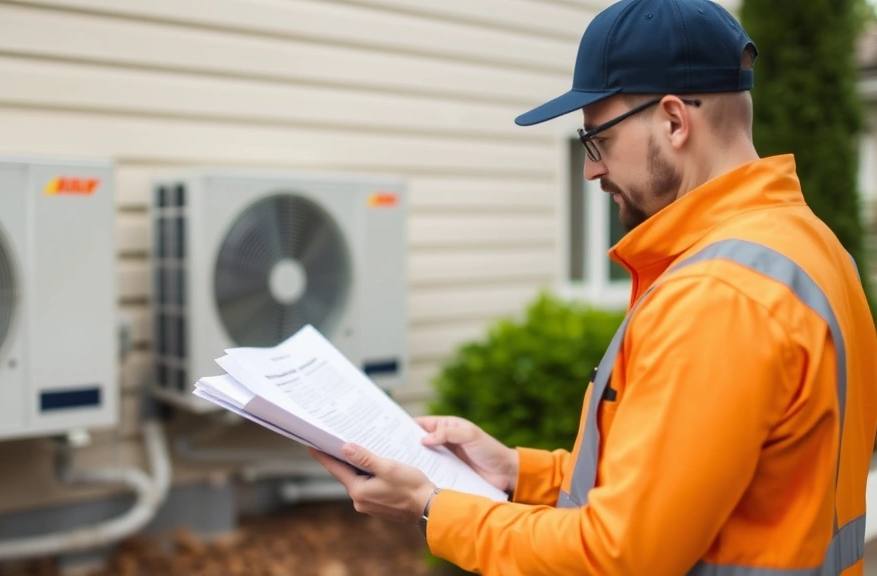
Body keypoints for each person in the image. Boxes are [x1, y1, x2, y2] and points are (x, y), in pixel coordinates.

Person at [308, 0, 877, 573]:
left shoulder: (718, 295)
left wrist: (432, 508)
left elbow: (620, 556)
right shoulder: (810, 248)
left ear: (675, 121)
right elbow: (683, 488)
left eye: (595, 139)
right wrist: (516, 470)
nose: (590, 170)